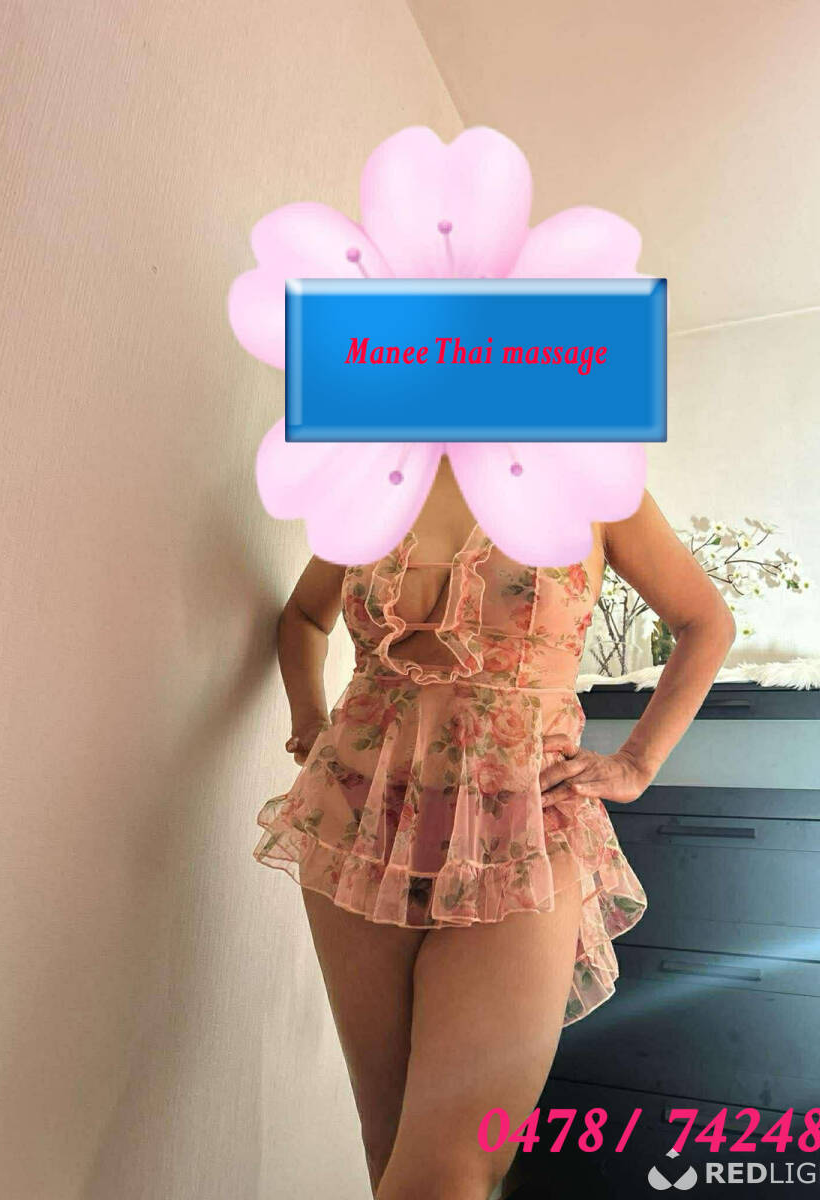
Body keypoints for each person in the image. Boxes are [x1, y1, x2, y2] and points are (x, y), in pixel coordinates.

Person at [253, 455, 736, 1200]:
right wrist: (309, 723)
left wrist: (637, 762)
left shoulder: (591, 480)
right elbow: (302, 619)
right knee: (391, 1149)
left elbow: (705, 622)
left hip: (520, 836)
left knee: (449, 1170)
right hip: (358, 826)